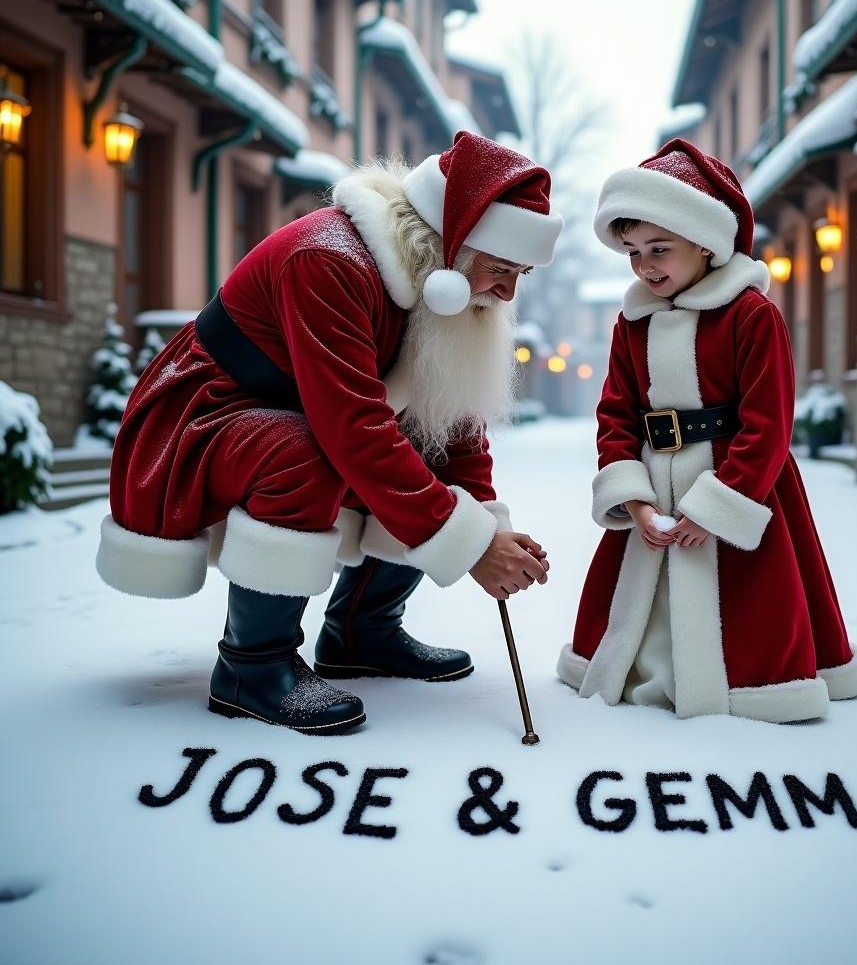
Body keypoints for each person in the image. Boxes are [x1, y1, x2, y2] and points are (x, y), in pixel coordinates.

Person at [96, 131, 563, 736]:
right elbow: (351, 427)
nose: (507, 293)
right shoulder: (330, 258)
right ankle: (252, 665)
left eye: (519, 273)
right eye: (500, 269)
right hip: (200, 418)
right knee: (310, 451)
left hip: (293, 415)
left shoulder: (441, 289)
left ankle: (362, 633)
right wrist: (469, 546)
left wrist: (486, 528)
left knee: (415, 449)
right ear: (451, 245)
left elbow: (455, 427)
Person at [556, 139, 857, 724]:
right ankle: (643, 666)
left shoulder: (751, 314)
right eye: (632, 252)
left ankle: (750, 681)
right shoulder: (633, 323)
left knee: (748, 596)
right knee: (642, 588)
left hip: (738, 480)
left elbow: (768, 422)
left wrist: (717, 507)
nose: (645, 266)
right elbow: (617, 413)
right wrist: (636, 501)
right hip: (655, 479)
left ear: (704, 241)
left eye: (659, 248)